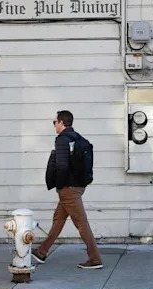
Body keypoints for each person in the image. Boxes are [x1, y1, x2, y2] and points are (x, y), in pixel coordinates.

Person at [33, 110, 103, 269]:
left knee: (81, 223)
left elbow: (62, 166)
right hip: (77, 186)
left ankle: (95, 259)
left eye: (54, 122)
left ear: (61, 122)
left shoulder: (62, 140)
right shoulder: (77, 138)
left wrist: (59, 185)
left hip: (68, 189)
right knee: (58, 218)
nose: (54, 125)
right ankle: (42, 251)